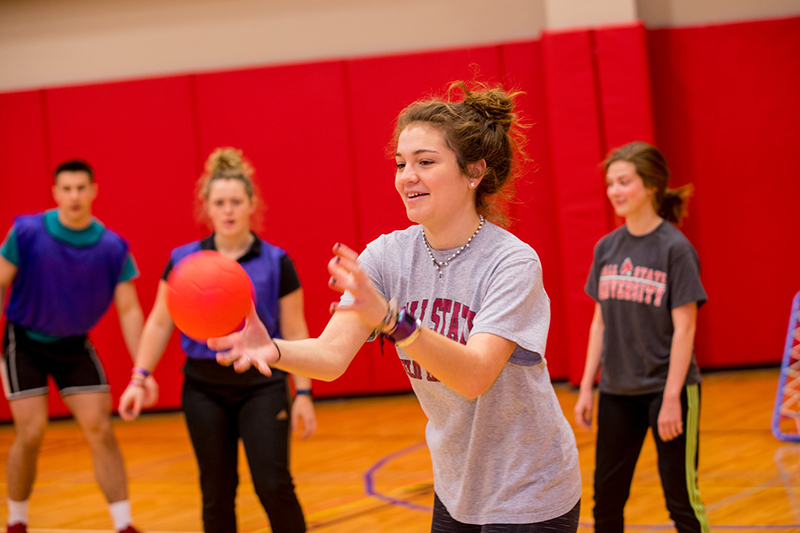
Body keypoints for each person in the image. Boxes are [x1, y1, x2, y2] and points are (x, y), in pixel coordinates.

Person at [210, 82, 582, 532]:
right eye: (401, 163)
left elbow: (474, 375)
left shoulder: (512, 262)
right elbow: (330, 359)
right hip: (457, 487)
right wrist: (273, 349)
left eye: (425, 162)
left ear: (474, 172)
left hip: (531, 488)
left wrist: (390, 319)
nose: (407, 175)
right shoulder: (385, 257)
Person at [118, 147, 316, 533]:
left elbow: (295, 331)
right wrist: (139, 378)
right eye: (220, 202)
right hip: (203, 388)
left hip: (263, 382)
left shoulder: (277, 261)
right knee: (216, 492)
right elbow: (160, 323)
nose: (228, 210)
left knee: (273, 485)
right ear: (206, 207)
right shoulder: (182, 261)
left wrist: (304, 395)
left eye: (236, 202)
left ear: (251, 205)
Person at [0, 159, 149, 533]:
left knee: (100, 427)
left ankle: (124, 524)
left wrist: (141, 370)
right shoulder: (27, 232)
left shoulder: (113, 247)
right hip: (25, 341)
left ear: (94, 190)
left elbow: (130, 311)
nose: (74, 196)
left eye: (81, 188)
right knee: (31, 431)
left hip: (74, 344)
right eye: (66, 189)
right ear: (55, 193)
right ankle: (17, 520)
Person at [574, 141, 709, 533]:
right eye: (611, 183)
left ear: (650, 185)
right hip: (617, 391)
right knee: (607, 499)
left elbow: (686, 328)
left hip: (668, 390)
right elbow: (599, 322)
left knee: (681, 499)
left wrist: (671, 398)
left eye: (624, 182)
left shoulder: (675, 249)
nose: (615, 190)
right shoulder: (606, 248)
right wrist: (586, 387)